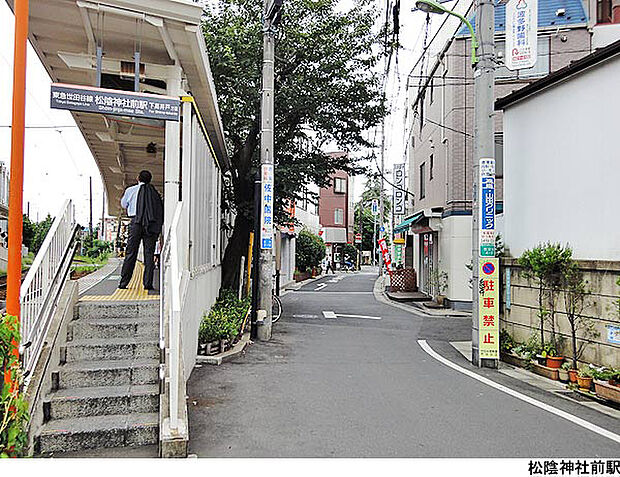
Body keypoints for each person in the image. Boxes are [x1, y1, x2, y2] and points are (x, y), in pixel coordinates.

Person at [119, 170, 163, 290]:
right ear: (150, 180)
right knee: (149, 254)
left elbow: (123, 204)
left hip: (136, 223)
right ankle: (148, 284)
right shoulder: (154, 193)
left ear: (138, 178)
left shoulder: (131, 190)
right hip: (150, 224)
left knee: (131, 252)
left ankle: (124, 283)